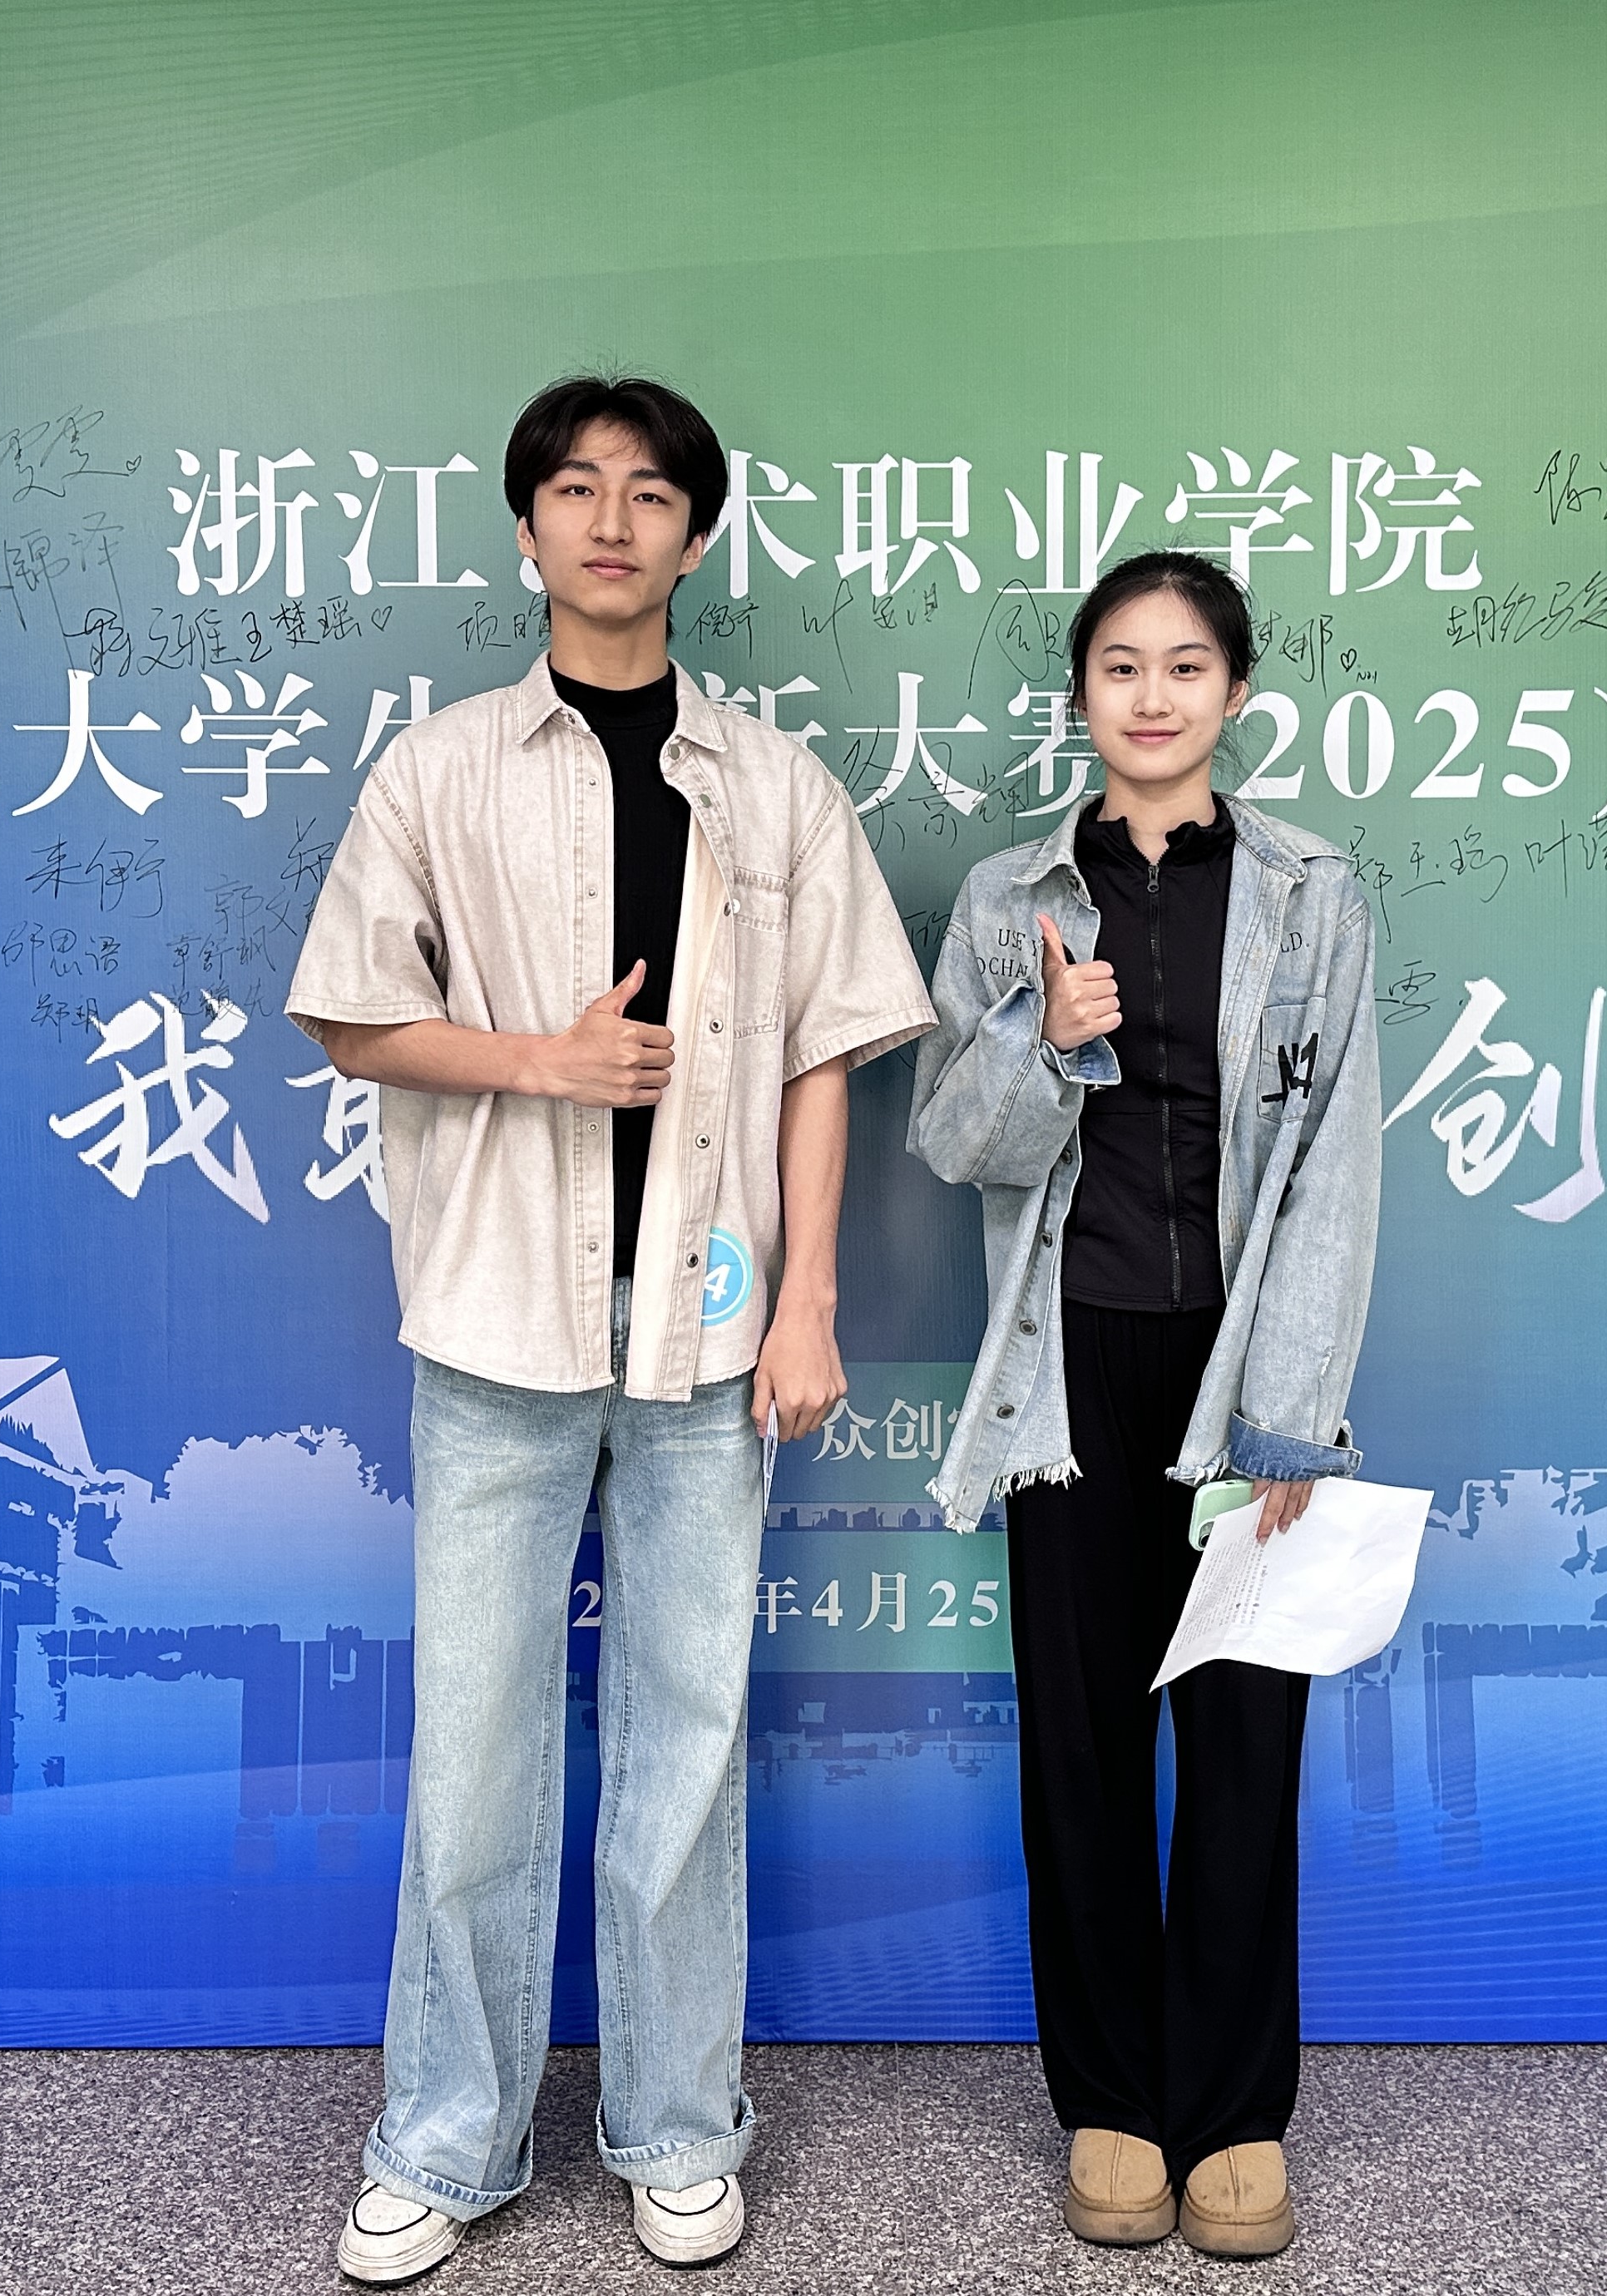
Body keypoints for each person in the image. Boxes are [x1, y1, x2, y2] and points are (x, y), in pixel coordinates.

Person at [287, 373, 933, 2282]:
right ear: (526, 528)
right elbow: (351, 1013)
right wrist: (543, 1063)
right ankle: (442, 2140)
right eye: (574, 489)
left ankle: (676, 2126)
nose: (610, 521)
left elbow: (824, 1054)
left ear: (694, 538)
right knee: (475, 1750)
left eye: (649, 494)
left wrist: (807, 1301)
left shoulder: (775, 783)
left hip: (709, 1340)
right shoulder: (440, 769)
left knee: (688, 1737)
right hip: (497, 1320)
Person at [908, 550, 1381, 2259]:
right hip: (1071, 1365)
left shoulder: (1314, 891)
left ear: (1236, 694)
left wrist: (1291, 1407)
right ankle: (1110, 2097)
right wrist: (1045, 1039)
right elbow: (951, 1141)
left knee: (1246, 1740)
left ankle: (1234, 2111)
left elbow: (1335, 1161)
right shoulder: (1009, 895)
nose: (1154, 695)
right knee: (1085, 1739)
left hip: (1242, 1369)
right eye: (1121, 665)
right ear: (1082, 696)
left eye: (1187, 666)